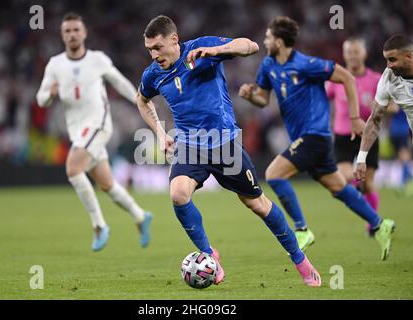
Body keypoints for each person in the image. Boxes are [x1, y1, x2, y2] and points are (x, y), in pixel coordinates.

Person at [137, 15, 321, 287]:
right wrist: (161, 133)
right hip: (189, 146)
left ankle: (301, 261)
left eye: (158, 48)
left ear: (174, 40)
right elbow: (141, 100)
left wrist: (217, 51)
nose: (154, 55)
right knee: (178, 194)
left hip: (225, 144)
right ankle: (210, 255)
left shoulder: (202, 49)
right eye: (149, 49)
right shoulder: (153, 74)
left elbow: (250, 46)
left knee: (256, 204)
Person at [239, 16, 394, 260]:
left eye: (269, 37)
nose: (265, 40)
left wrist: (354, 117)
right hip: (304, 139)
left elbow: (346, 77)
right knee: (338, 188)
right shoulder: (268, 65)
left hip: (315, 136)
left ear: (279, 41)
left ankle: (301, 230)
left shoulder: (306, 64)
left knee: (273, 174)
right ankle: (379, 223)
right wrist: (250, 96)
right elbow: (263, 99)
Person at [36, 12, 153, 252]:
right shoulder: (55, 65)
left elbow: (118, 81)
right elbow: (41, 99)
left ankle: (99, 225)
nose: (72, 34)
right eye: (67, 31)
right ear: (62, 35)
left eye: (76, 30)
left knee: (73, 168)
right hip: (77, 130)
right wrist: (50, 94)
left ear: (84, 33)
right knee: (107, 184)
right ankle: (140, 215)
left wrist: (137, 99)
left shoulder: (97, 59)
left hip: (98, 124)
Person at [326, 38, 382, 233]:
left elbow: (390, 103)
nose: (352, 56)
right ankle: (371, 215)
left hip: (368, 136)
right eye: (349, 52)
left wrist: (385, 108)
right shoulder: (337, 78)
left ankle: (373, 224)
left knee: (367, 184)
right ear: (344, 54)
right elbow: (324, 97)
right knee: (344, 176)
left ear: (364, 54)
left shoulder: (375, 79)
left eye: (356, 52)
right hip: (343, 136)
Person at [356, 33, 413, 201]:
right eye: (386, 59)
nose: (388, 65)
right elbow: (374, 120)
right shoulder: (388, 80)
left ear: (409, 56)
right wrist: (361, 158)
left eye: (393, 59)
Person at [389, 109, 413, 195]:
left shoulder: (394, 95)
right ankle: (407, 176)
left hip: (398, 128)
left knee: (403, 153)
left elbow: (392, 109)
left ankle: (406, 178)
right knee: (403, 153)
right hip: (402, 128)